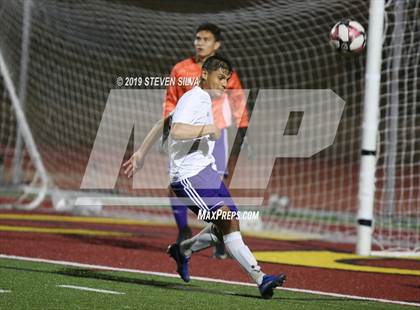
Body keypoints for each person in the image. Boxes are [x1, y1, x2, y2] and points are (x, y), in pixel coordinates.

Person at [124, 55, 285, 299]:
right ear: (204, 75)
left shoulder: (198, 99)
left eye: (227, 79)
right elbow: (176, 131)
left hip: (206, 172)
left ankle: (183, 250)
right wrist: (207, 129)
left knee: (228, 225)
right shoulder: (196, 98)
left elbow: (164, 124)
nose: (224, 84)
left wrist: (140, 152)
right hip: (189, 178)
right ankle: (261, 278)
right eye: (220, 78)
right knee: (228, 221)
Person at [163, 23, 249, 258]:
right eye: (198, 38)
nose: (200, 42)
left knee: (215, 183)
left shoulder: (222, 71)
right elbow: (171, 100)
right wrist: (167, 125)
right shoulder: (180, 69)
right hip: (185, 135)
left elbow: (237, 100)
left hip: (214, 134)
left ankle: (220, 235)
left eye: (206, 39)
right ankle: (183, 231)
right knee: (176, 184)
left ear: (217, 44)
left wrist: (243, 128)